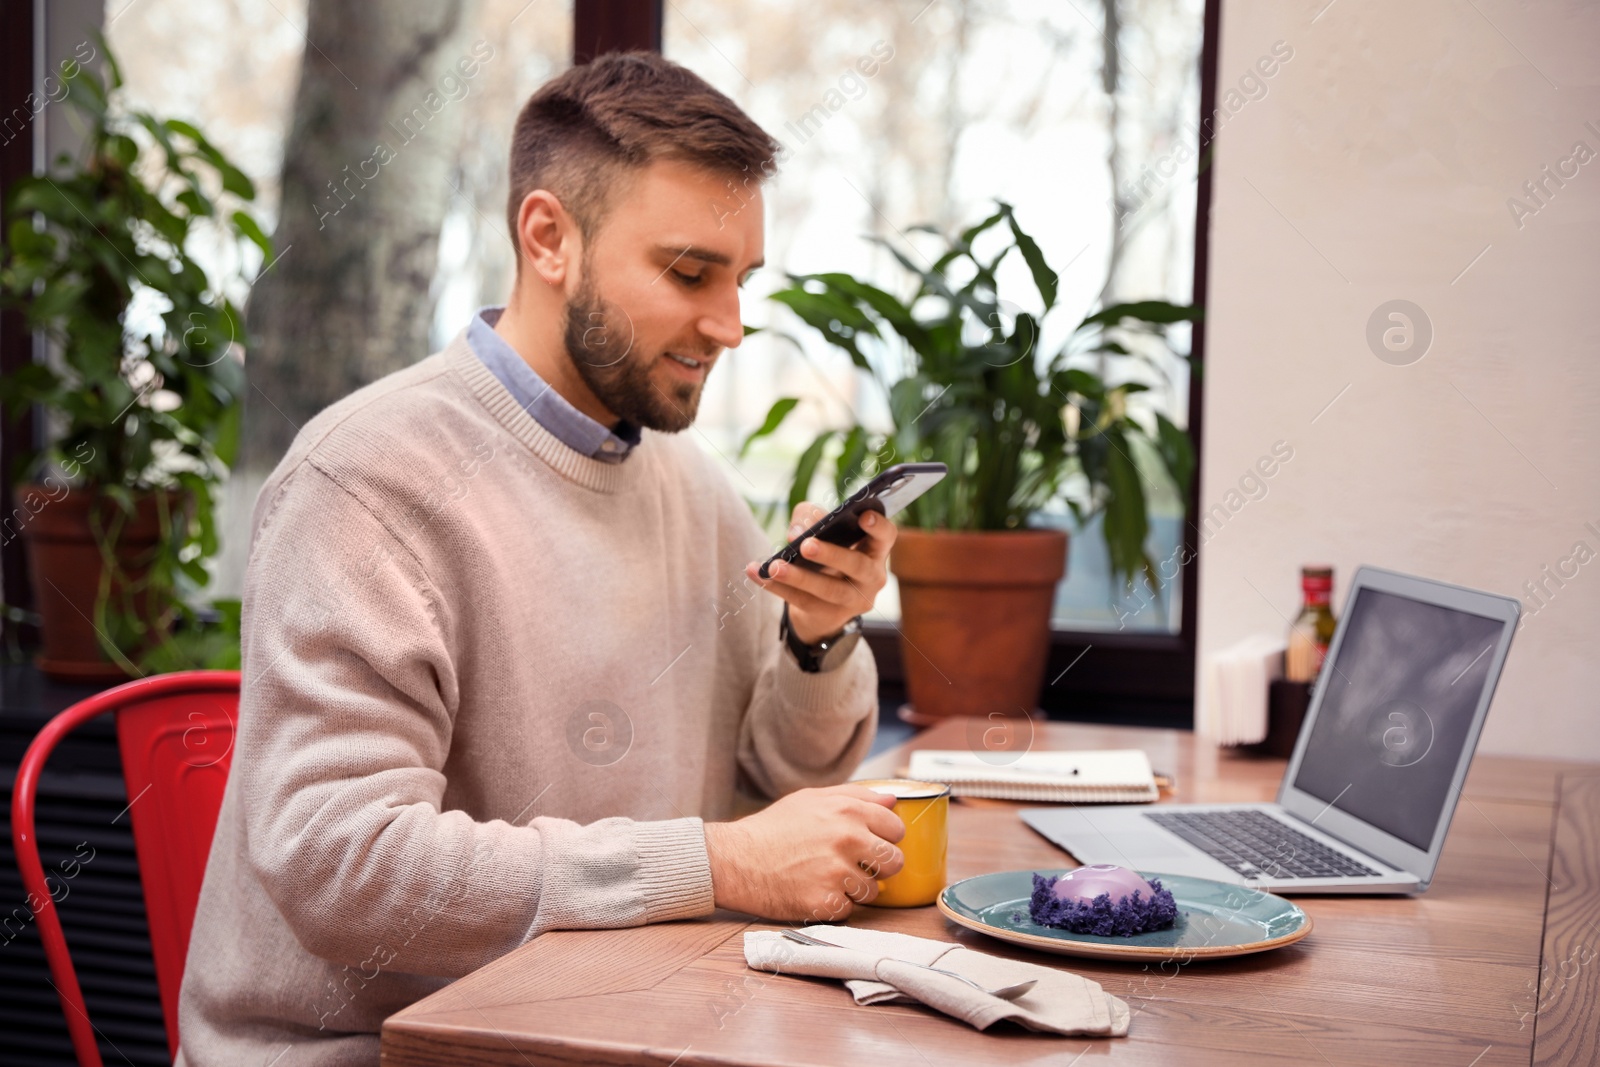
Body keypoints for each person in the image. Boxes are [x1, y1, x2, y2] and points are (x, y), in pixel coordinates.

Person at [176, 51, 907, 1066]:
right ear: (548, 238)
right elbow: (345, 868)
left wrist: (817, 639)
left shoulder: (691, 489)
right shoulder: (366, 481)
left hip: (607, 1018)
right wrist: (716, 860)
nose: (729, 326)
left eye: (740, 281)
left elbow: (785, 779)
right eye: (689, 273)